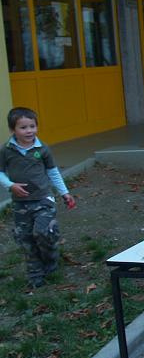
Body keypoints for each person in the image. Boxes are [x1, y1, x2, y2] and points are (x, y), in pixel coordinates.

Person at [0, 107, 75, 289]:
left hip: (43, 199)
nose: (29, 131)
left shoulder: (42, 149)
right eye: (23, 127)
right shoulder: (6, 150)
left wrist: (64, 193)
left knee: (42, 232)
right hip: (20, 204)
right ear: (12, 130)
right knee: (26, 239)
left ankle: (50, 260)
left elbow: (53, 172)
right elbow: (0, 172)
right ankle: (35, 273)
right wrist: (10, 185)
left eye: (32, 126)